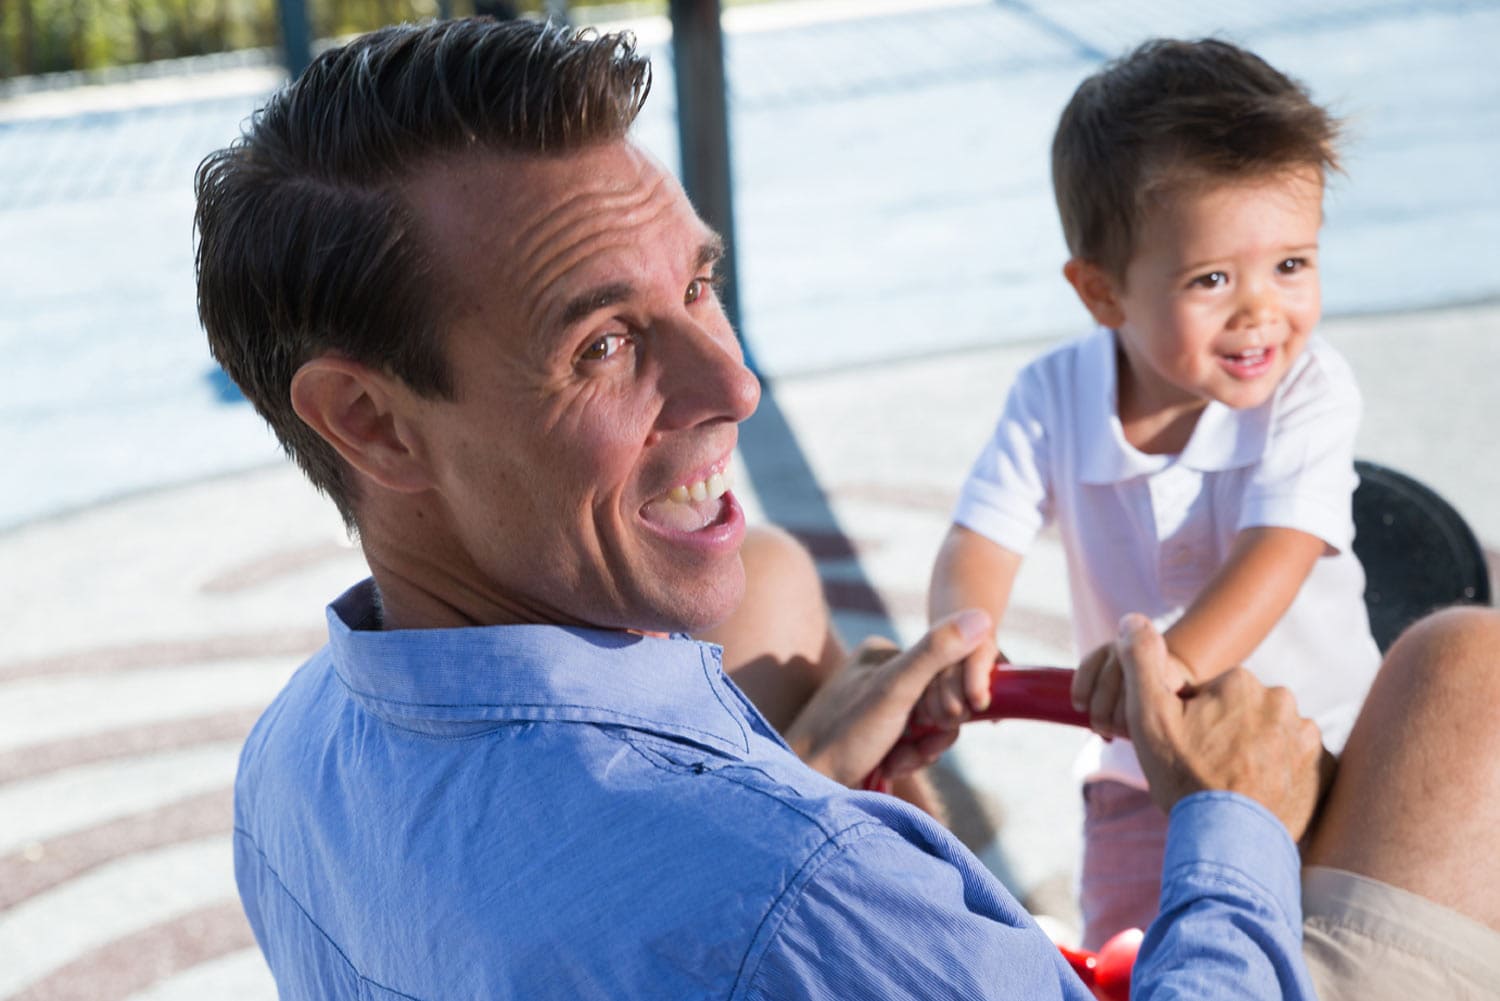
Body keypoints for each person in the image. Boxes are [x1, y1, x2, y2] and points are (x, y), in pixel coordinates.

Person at [198, 18, 1500, 999]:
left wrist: (800, 777)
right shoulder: (800, 896)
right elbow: (771, 912)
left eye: (699, 287)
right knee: (1464, 671)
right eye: (600, 343)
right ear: (367, 418)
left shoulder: (291, 761)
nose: (735, 384)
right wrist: (1236, 825)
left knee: (764, 579)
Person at [926, 38, 1383, 948]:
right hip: (1140, 769)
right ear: (1102, 294)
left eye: (1292, 264)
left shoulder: (1311, 391)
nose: (1261, 309)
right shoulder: (1052, 397)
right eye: (1211, 279)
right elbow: (982, 534)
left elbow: (1278, 554)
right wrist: (963, 641)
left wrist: (1159, 667)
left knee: (1337, 947)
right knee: (1130, 950)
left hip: (1324, 752)